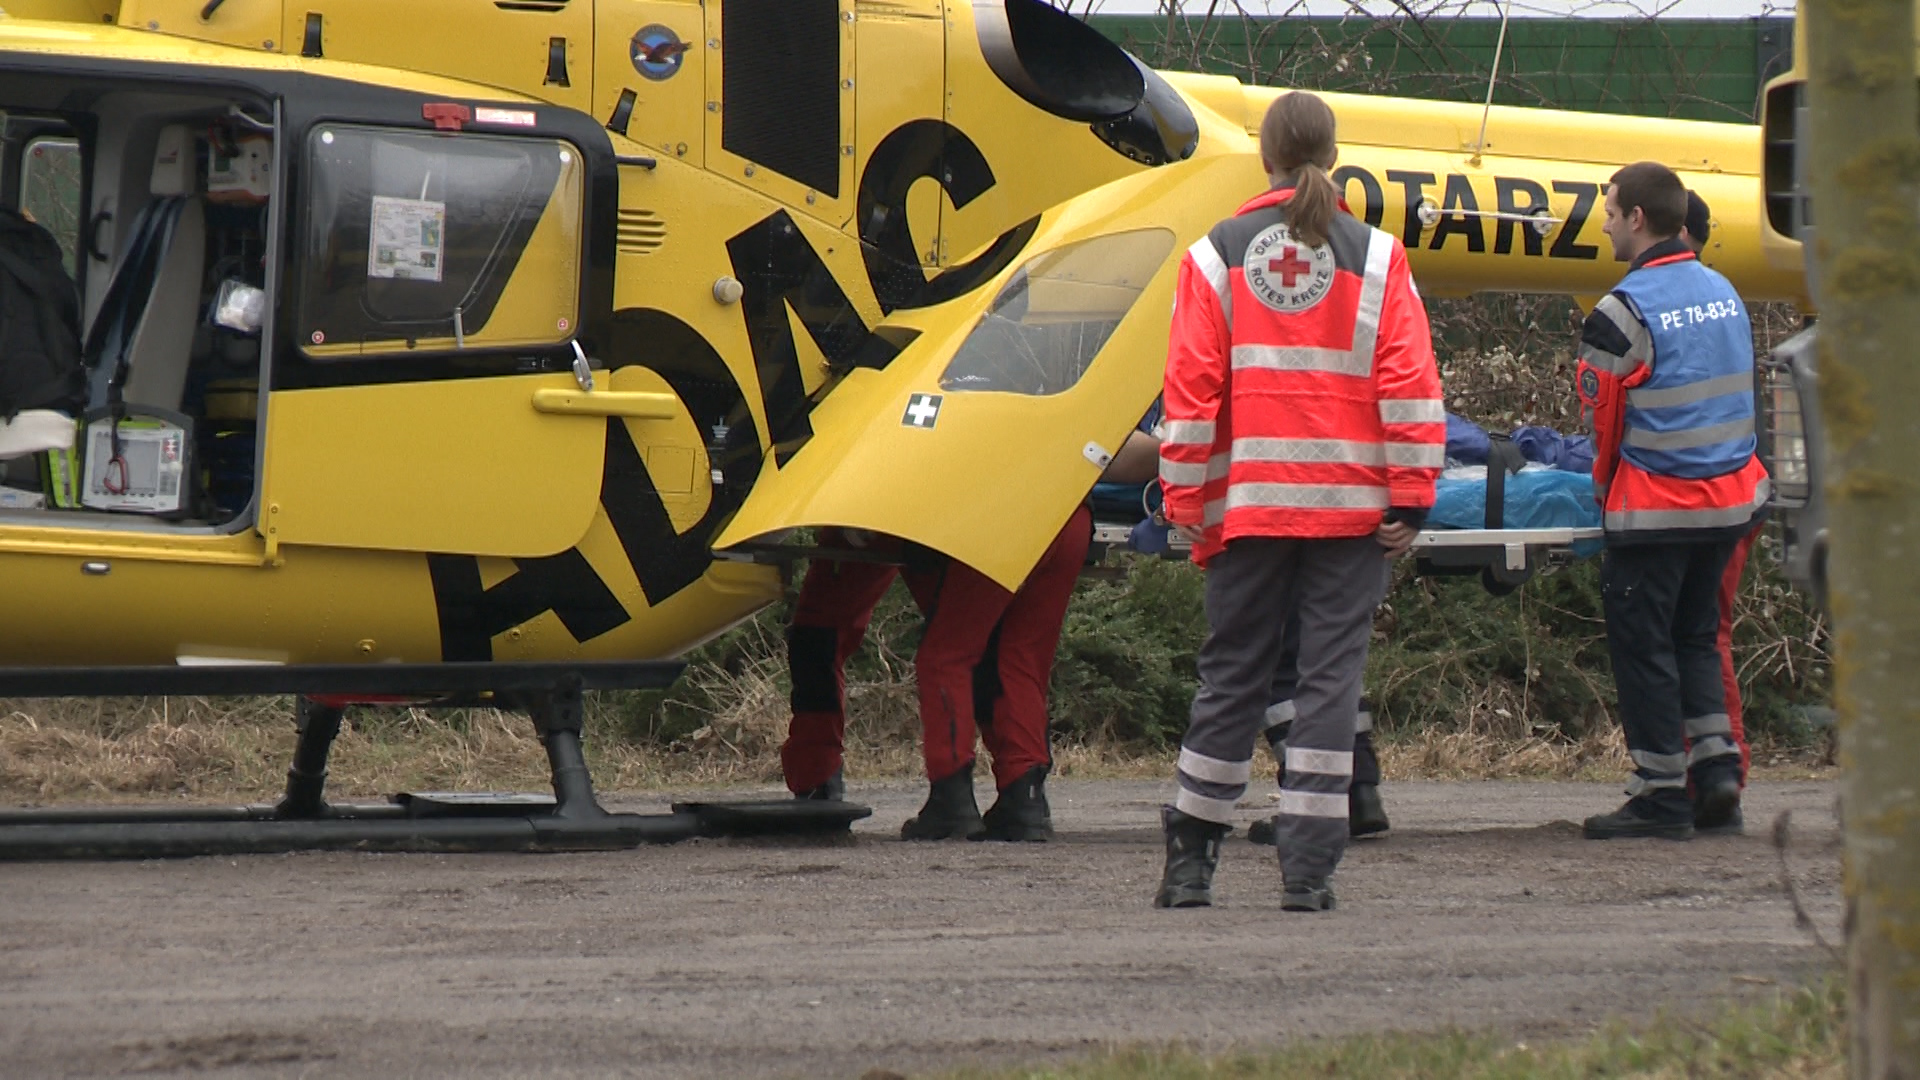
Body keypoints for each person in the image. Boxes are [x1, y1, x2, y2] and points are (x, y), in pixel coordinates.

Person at [1153, 90, 1443, 911]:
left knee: (1231, 679)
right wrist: (1413, 496)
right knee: (1327, 686)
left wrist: (1183, 497)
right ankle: (1308, 876)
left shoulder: (1215, 255)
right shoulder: (1380, 258)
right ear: (1334, 155)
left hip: (1247, 511)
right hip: (1351, 516)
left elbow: (1189, 392)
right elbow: (1411, 387)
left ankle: (1189, 867)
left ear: (1265, 157)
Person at [779, 426, 1158, 841]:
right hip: (1065, 511)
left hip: (980, 505)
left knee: (945, 656)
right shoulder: (1046, 373)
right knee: (1017, 659)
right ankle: (1024, 799)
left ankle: (951, 799)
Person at [1576, 163, 1770, 841]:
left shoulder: (1621, 311)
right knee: (1695, 639)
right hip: (1729, 504)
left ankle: (1660, 792)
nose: (1602, 221)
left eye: (1608, 210)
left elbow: (1604, 425)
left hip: (1657, 508)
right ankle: (1716, 775)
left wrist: (1603, 498)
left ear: (1637, 218)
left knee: (1644, 647)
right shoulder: (1725, 292)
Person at [1683, 188, 1757, 835]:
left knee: (1702, 635)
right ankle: (1716, 770)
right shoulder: (1725, 297)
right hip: (1737, 488)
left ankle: (1717, 772)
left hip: (1701, 494)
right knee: (1710, 633)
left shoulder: (1669, 302)